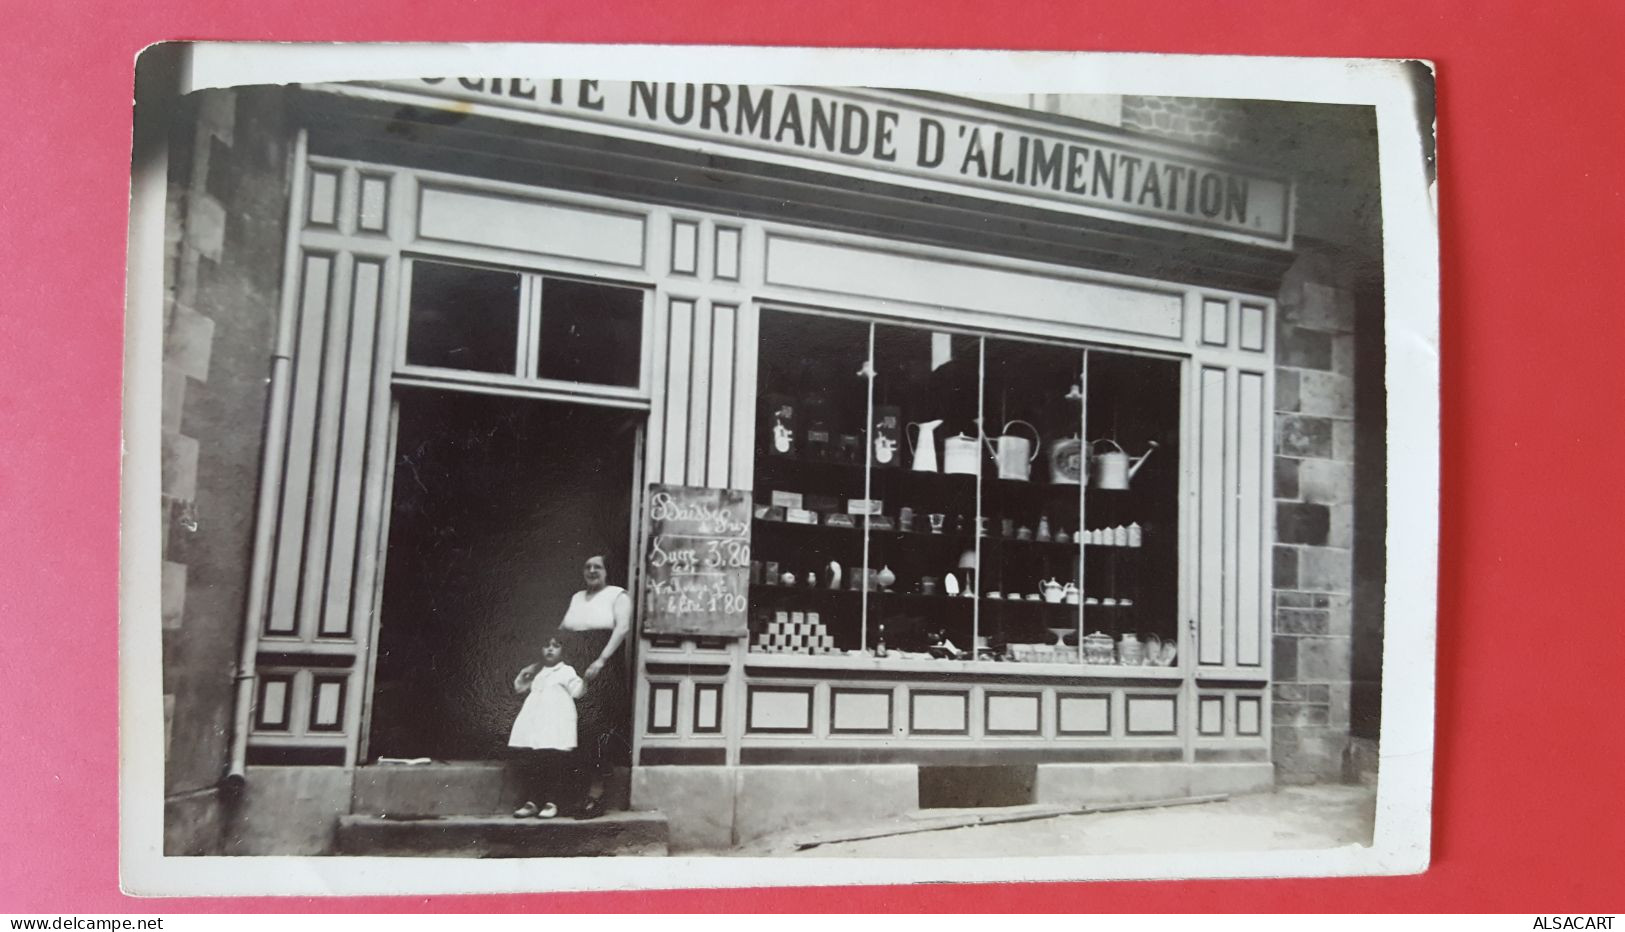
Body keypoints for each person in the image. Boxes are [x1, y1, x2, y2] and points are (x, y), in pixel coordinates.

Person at [554, 553, 632, 819]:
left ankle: (596, 796)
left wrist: (601, 660)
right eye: (587, 566)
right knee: (575, 725)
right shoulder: (577, 598)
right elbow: (562, 629)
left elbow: (621, 629)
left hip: (602, 666)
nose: (591, 570)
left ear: (607, 571)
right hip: (576, 665)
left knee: (598, 730)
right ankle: (576, 795)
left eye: (597, 566)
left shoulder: (618, 595)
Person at [507, 636, 585, 819]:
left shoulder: (566, 671)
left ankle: (552, 801)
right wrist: (524, 675)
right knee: (535, 762)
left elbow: (578, 691)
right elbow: (520, 688)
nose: (550, 649)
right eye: (546, 646)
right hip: (537, 723)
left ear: (563, 650)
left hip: (556, 723)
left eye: (555, 646)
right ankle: (533, 801)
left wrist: (587, 680)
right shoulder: (538, 671)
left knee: (554, 762)